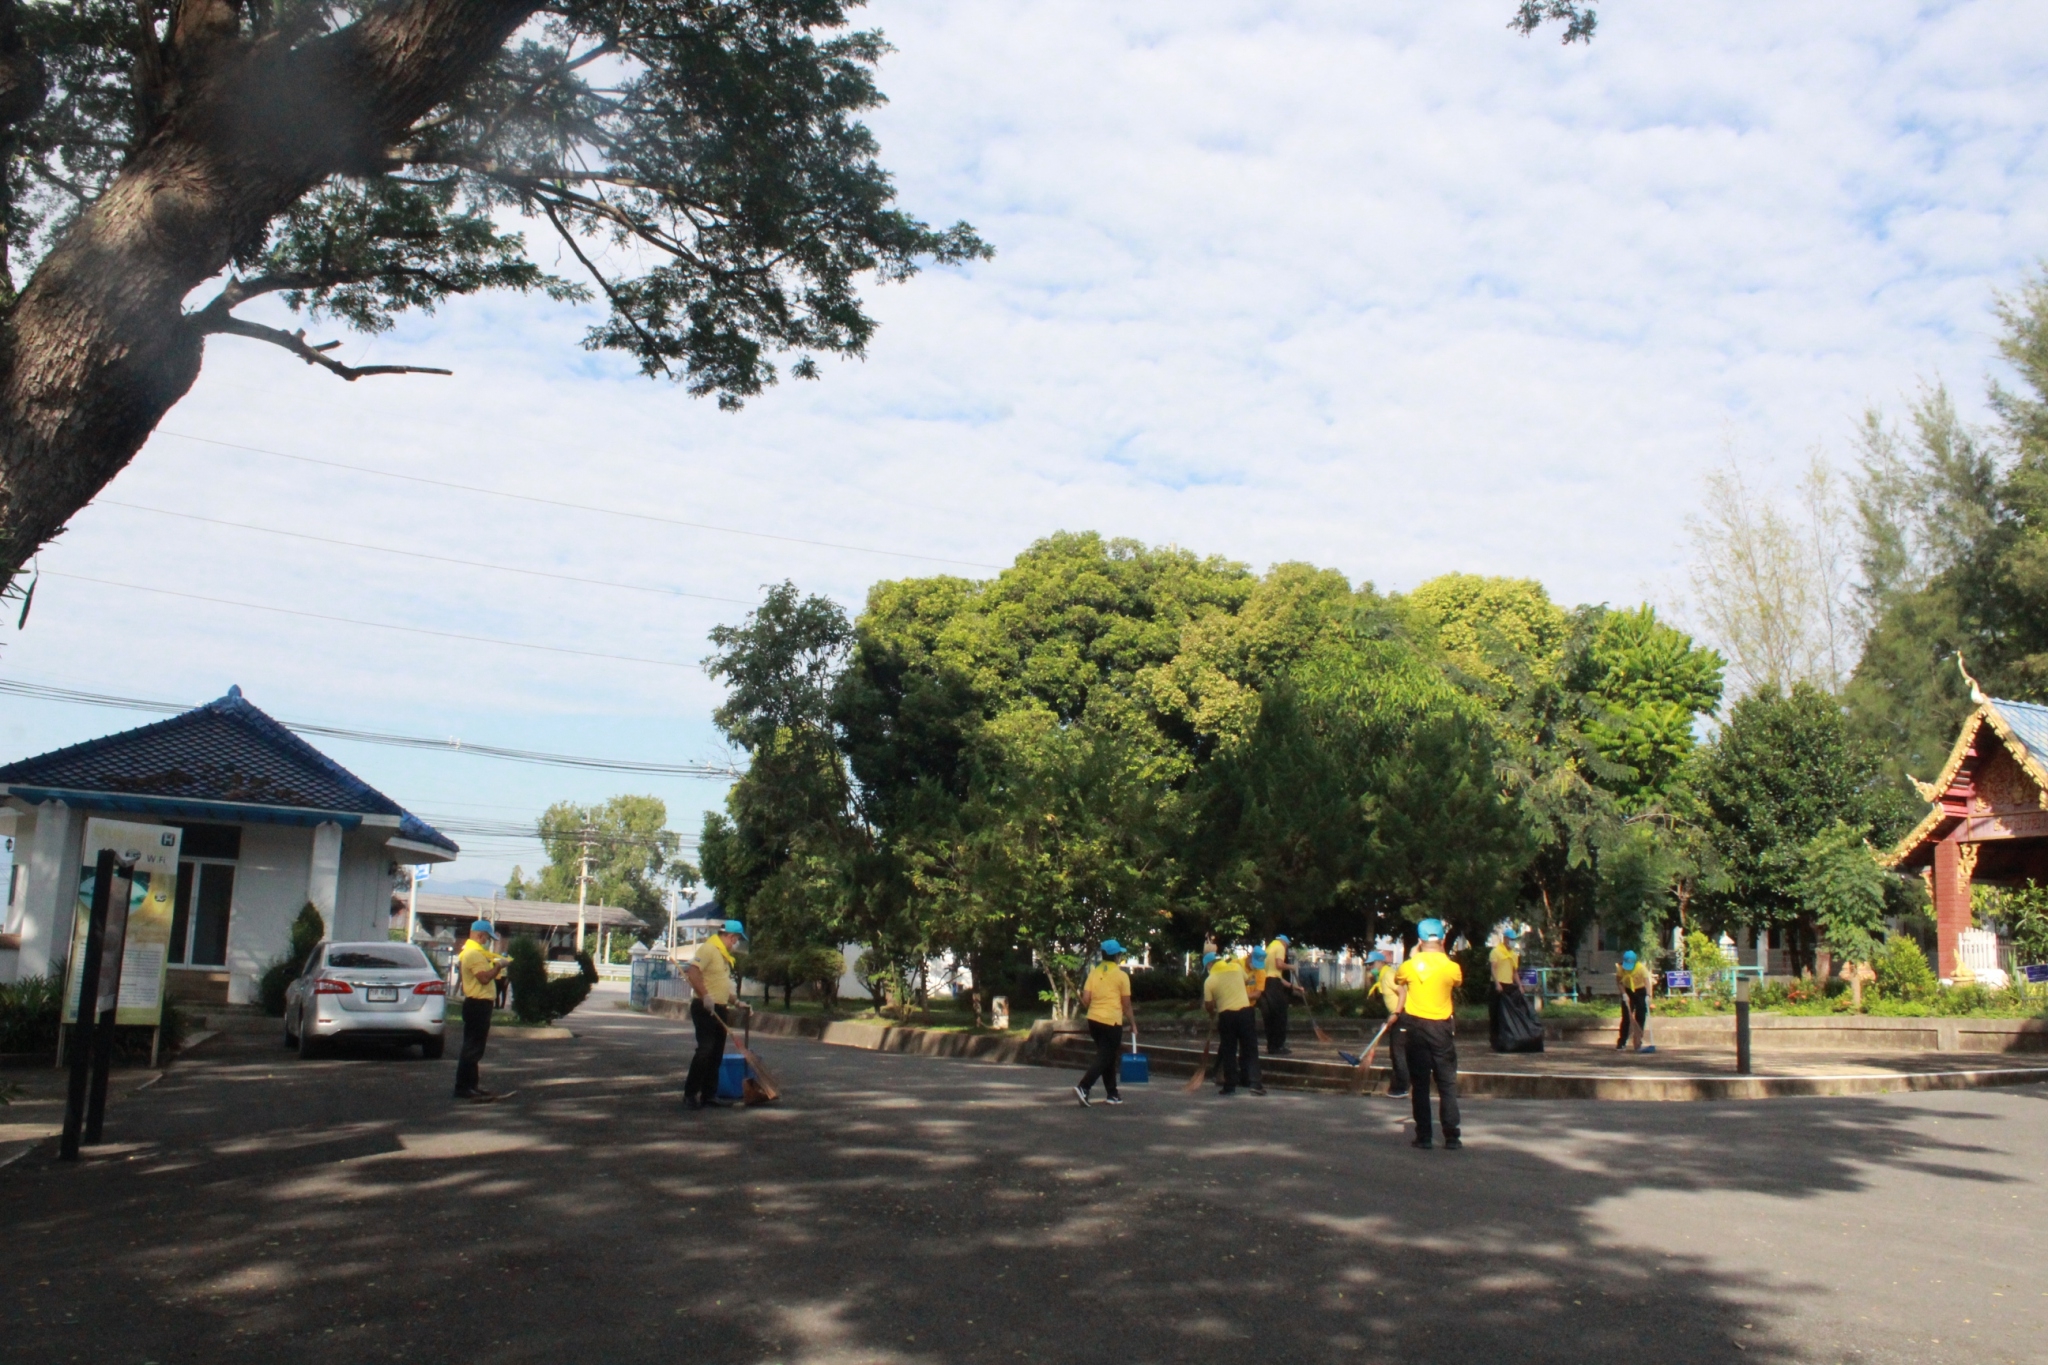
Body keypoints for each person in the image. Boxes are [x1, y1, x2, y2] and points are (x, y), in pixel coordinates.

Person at [1394, 920, 1462, 1149]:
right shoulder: (1452, 967)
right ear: (1443, 941)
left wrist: (1415, 955)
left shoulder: (1409, 966)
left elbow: (1399, 981)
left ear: (1420, 941)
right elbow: (1457, 982)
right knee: (1447, 1083)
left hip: (1416, 1028)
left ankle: (1424, 1135)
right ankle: (1451, 1135)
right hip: (1441, 1028)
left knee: (1420, 1083)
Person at [683, 918, 747, 1110]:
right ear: (729, 936)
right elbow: (692, 972)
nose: (735, 943)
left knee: (717, 1051)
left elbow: (720, 983)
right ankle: (690, 1093)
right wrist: (705, 996)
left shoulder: (722, 955)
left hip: (719, 1007)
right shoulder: (709, 949)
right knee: (706, 1049)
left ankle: (709, 1094)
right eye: (735, 939)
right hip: (704, 1007)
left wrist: (735, 1001)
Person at [1074, 939, 1135, 1107]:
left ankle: (1112, 1094)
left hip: (1093, 1020)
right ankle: (1084, 1087)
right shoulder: (1122, 976)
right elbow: (1126, 1004)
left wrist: (1085, 1001)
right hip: (1111, 1022)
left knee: (1107, 1055)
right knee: (1105, 1056)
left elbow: (1086, 1000)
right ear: (1116, 955)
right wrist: (1133, 1024)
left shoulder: (1094, 973)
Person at [454, 919, 507, 1103]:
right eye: (486, 937)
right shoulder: (474, 954)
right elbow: (484, 978)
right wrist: (499, 966)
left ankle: (471, 1085)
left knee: (475, 1047)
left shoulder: (471, 952)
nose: (487, 941)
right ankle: (463, 1087)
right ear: (479, 935)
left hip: (477, 1003)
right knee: (472, 1048)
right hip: (478, 1004)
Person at [1202, 950, 1264, 1096]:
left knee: (1229, 1050)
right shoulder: (1236, 968)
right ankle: (1256, 1083)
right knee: (1250, 1048)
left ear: (1210, 965)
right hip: (1245, 1012)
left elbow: (1209, 1005)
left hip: (1227, 1015)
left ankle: (1230, 1085)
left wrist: (1212, 1013)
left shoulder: (1210, 981)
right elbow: (1246, 981)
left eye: (1207, 967)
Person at [1368, 949, 1409, 1098]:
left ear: (1380, 962)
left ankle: (1402, 1088)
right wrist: (1388, 1019)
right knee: (1395, 1053)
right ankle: (1397, 1085)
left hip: (1403, 1015)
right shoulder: (1383, 976)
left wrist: (1397, 1013)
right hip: (1397, 1015)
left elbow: (1402, 992)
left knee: (1399, 1053)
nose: (1370, 967)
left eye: (1372, 964)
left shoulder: (1389, 975)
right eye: (1368, 965)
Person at [1488, 927, 1523, 1050]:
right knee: (1495, 1014)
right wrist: (1497, 983)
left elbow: (1514, 972)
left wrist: (1520, 985)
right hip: (1498, 985)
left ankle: (1507, 1039)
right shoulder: (1496, 952)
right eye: (1511, 939)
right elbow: (1493, 968)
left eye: (1514, 939)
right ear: (1505, 939)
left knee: (1508, 1015)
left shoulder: (1514, 954)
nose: (1512, 941)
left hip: (1508, 986)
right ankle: (1495, 1040)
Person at [1263, 934, 1297, 1055]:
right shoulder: (1280, 947)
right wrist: (1291, 967)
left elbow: (1276, 975)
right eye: (1287, 945)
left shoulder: (1269, 948)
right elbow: (1279, 965)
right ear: (1285, 942)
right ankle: (1279, 1046)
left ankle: (1271, 1046)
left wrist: (1293, 987)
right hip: (1273, 985)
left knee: (1270, 1016)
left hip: (1266, 983)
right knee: (1280, 1014)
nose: (1286, 948)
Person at [1615, 949, 1651, 1051]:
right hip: (1628, 991)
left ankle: (1638, 1041)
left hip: (1640, 991)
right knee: (1626, 1017)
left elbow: (1647, 983)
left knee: (1640, 1016)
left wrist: (1648, 995)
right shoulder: (1621, 969)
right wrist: (1624, 994)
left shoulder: (1641, 968)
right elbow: (1619, 982)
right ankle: (1622, 1042)